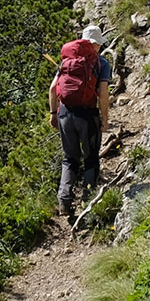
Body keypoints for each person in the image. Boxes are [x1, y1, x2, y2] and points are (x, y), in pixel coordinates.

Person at [48, 24, 111, 217]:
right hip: (87, 114)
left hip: (65, 113)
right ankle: (88, 199)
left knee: (70, 159)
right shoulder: (101, 63)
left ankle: (64, 201)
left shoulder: (68, 61)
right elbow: (103, 93)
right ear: (98, 45)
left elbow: (52, 89)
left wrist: (53, 114)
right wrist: (105, 118)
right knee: (91, 157)